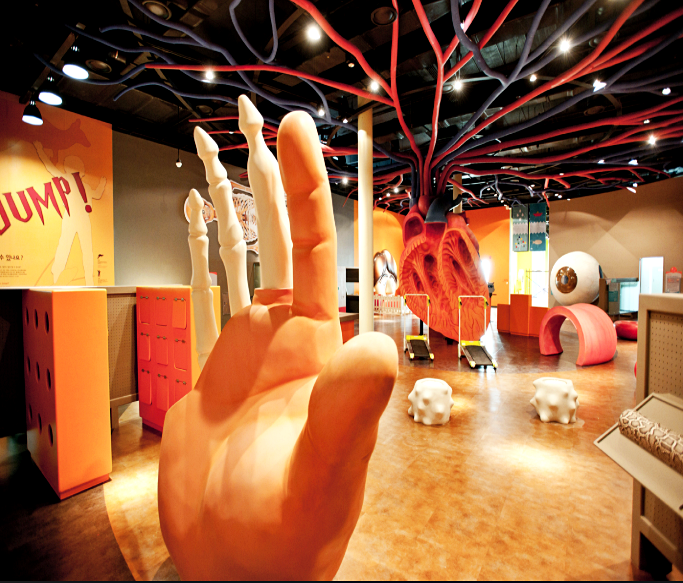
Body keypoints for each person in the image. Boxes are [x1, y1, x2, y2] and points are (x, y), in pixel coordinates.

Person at [33, 141, 106, 285]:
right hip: (71, 217)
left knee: (84, 249)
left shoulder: (84, 186)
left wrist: (102, 184)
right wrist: (40, 150)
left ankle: (88, 280)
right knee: (66, 246)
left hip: (83, 218)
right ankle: (57, 275)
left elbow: (97, 194)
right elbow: (51, 168)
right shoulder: (66, 181)